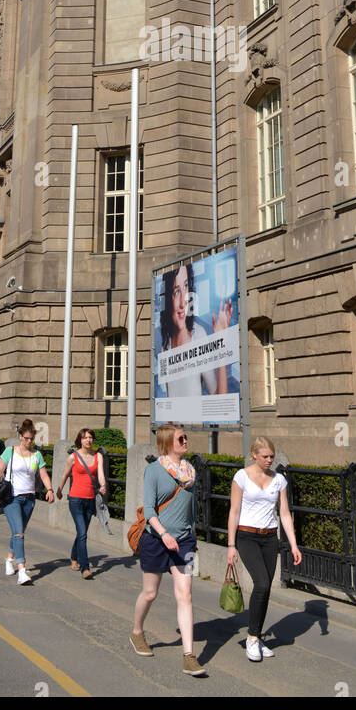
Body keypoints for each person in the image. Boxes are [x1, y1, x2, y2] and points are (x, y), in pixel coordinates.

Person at [130, 422, 205, 676]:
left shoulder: (191, 471)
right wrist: (163, 534)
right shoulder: (154, 470)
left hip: (184, 541)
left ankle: (189, 655)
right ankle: (137, 631)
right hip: (155, 539)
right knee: (150, 593)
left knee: (185, 594)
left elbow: (191, 507)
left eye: (185, 438)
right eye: (181, 439)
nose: (185, 442)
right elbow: (149, 510)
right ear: (167, 443)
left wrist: (192, 533)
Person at [227, 436, 302, 661]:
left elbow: (285, 513)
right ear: (254, 455)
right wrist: (231, 545)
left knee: (266, 587)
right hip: (247, 536)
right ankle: (251, 638)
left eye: (272, 456)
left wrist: (294, 544)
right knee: (260, 583)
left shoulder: (279, 480)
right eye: (265, 456)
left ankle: (257, 637)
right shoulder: (241, 477)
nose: (269, 460)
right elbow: (234, 511)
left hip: (270, 537)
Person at [0, 419, 54, 584]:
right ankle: (22, 571)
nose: (29, 441)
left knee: (19, 532)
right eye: (26, 438)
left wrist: (50, 490)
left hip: (29, 499)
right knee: (19, 533)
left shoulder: (36, 455)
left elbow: (44, 474)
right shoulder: (10, 451)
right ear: (20, 436)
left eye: (31, 438)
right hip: (12, 498)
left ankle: (9, 560)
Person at [157, 263, 232, 400]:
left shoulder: (198, 335)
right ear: (167, 298)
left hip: (194, 421)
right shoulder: (165, 345)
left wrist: (222, 342)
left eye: (186, 287)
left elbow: (219, 399)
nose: (182, 302)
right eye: (176, 291)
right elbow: (169, 400)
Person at [56, 428, 106, 578]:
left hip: (90, 499)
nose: (88, 440)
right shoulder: (73, 457)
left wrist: (103, 486)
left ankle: (74, 557)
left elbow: (101, 474)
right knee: (83, 533)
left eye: (90, 437)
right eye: (85, 438)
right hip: (75, 499)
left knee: (81, 532)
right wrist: (59, 490)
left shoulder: (98, 456)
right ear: (80, 440)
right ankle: (85, 568)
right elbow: (65, 474)